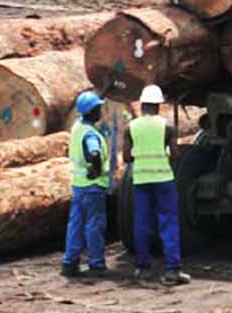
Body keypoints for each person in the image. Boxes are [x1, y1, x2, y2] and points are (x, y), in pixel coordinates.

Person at [123, 84, 191, 286]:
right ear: (159, 106)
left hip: (141, 180)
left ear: (142, 104)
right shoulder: (167, 127)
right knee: (168, 223)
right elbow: (176, 155)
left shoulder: (131, 128)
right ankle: (172, 271)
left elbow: (127, 157)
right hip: (163, 180)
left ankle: (143, 268)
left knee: (141, 223)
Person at [61, 91, 111, 278]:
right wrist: (96, 169)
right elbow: (94, 153)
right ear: (91, 111)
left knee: (75, 223)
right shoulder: (90, 134)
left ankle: (70, 262)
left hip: (78, 185)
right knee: (94, 224)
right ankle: (96, 263)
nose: (100, 112)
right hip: (93, 186)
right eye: (98, 108)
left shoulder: (77, 126)